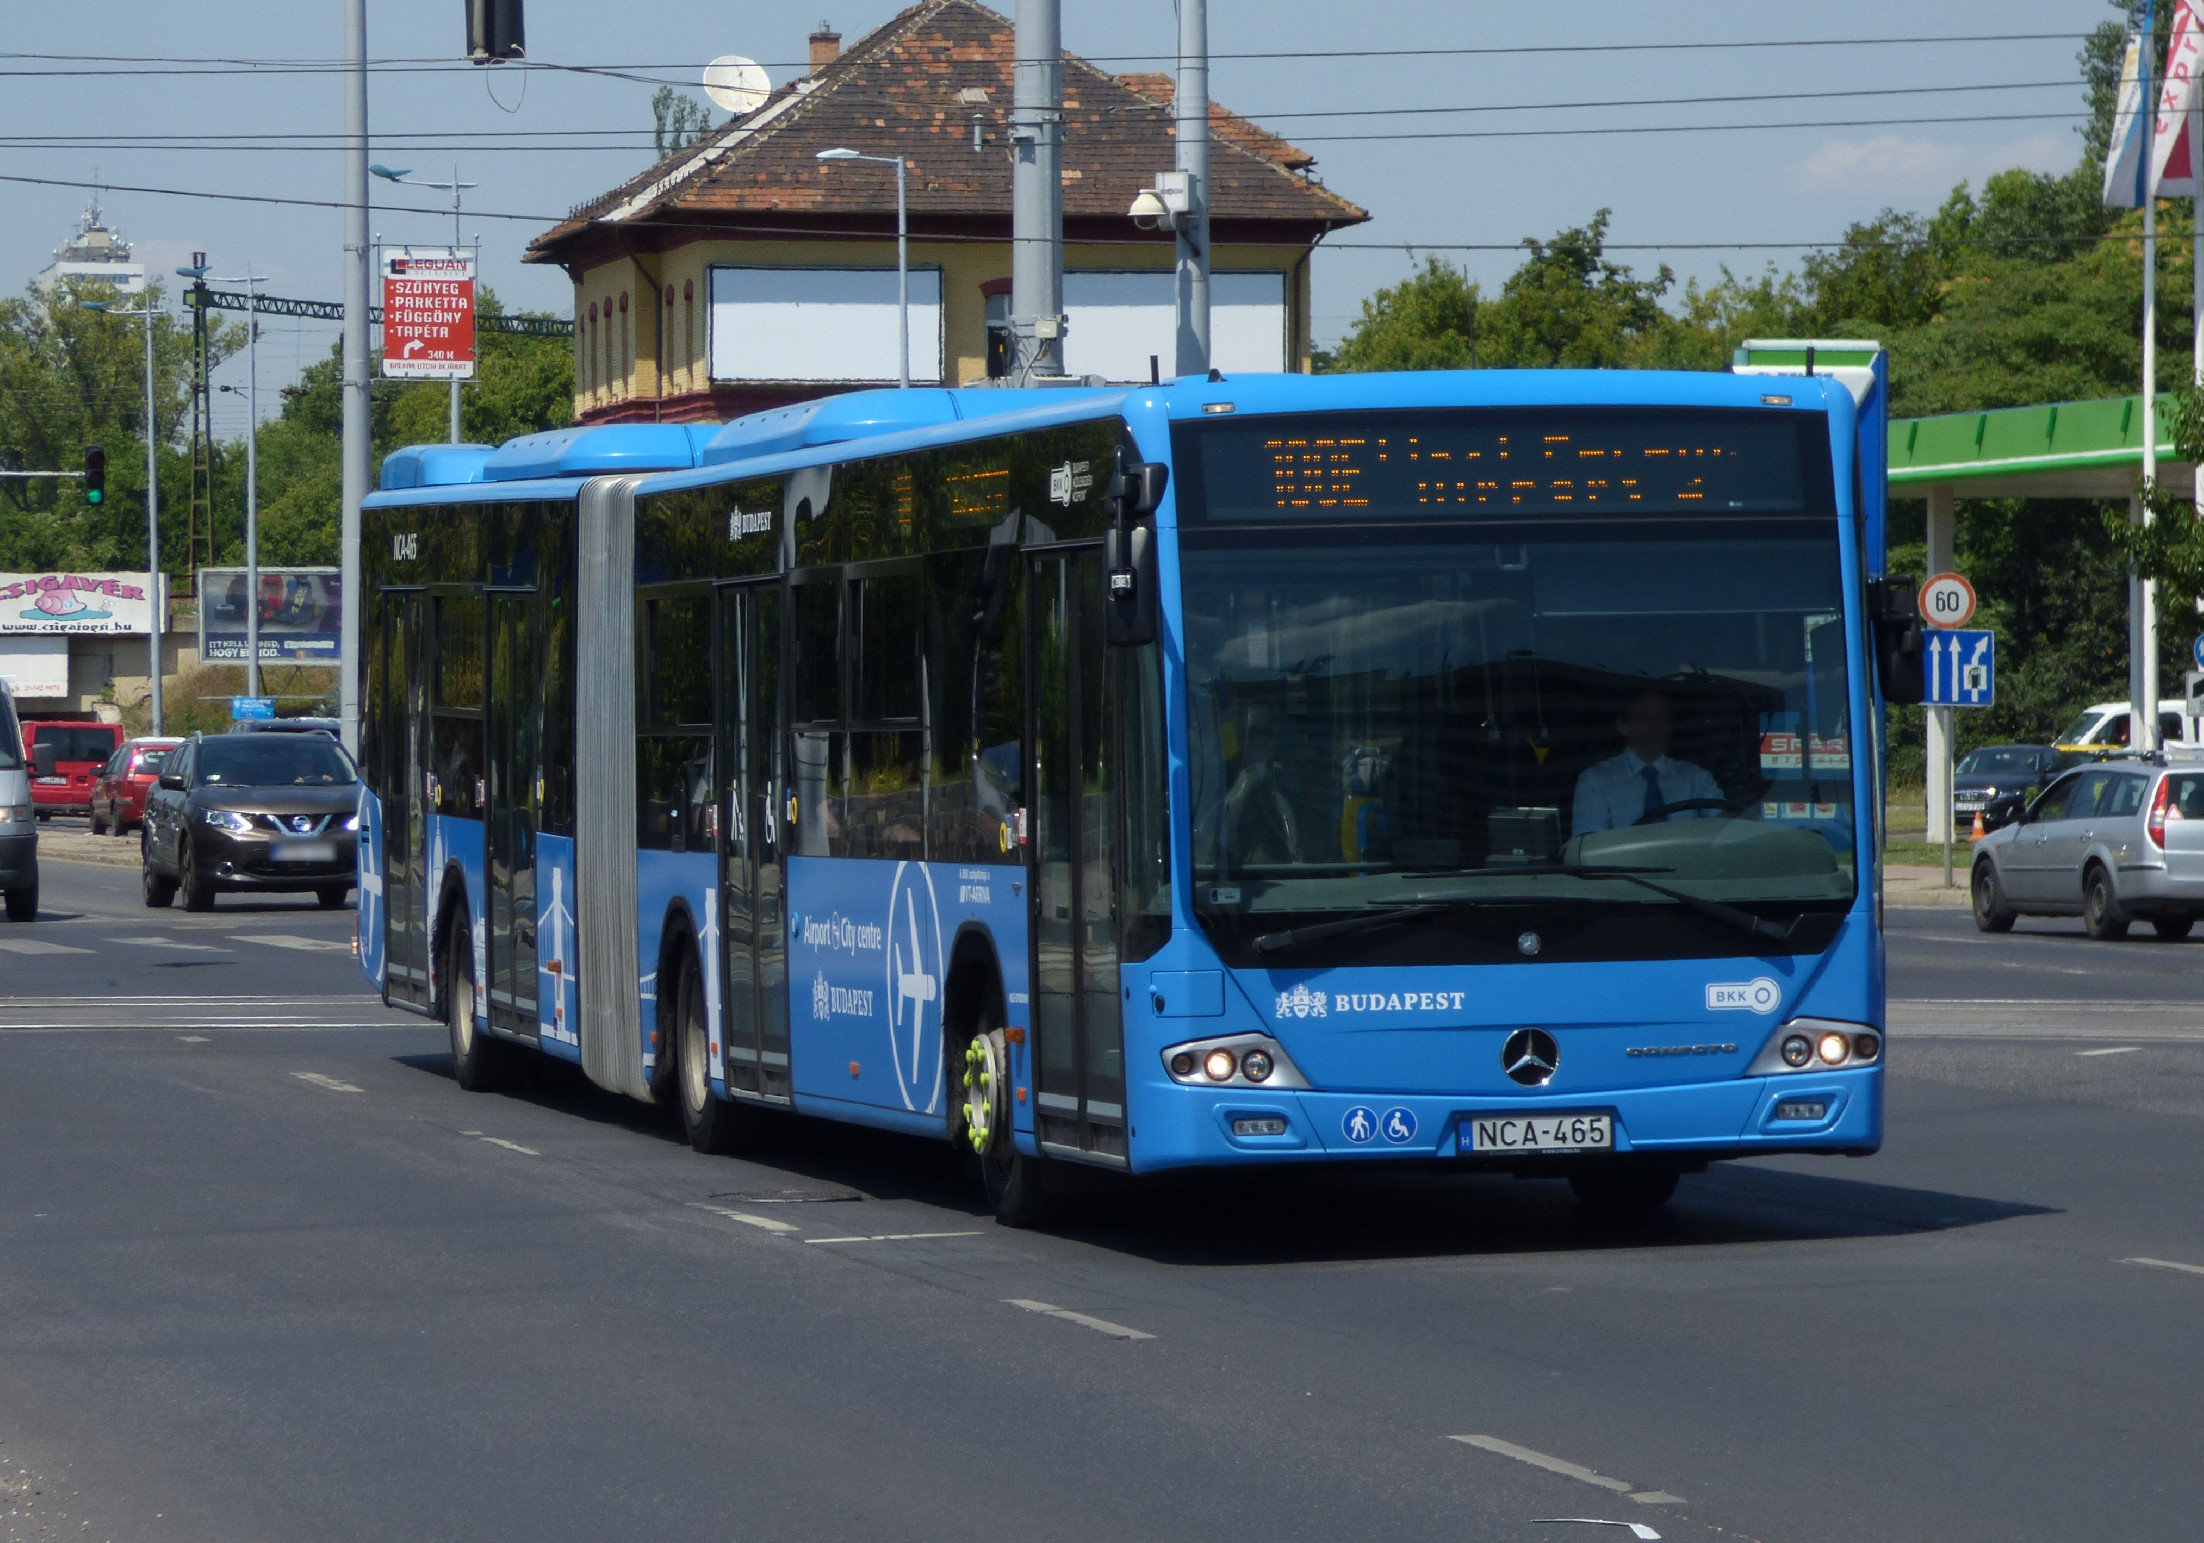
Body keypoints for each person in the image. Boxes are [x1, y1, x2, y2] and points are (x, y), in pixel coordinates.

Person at [1571, 686, 1724, 837]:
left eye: (1661, 718)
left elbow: (1725, 825)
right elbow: (1589, 848)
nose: (1653, 727)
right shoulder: (1595, 780)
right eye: (1643, 718)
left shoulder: (1695, 777)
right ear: (1623, 726)